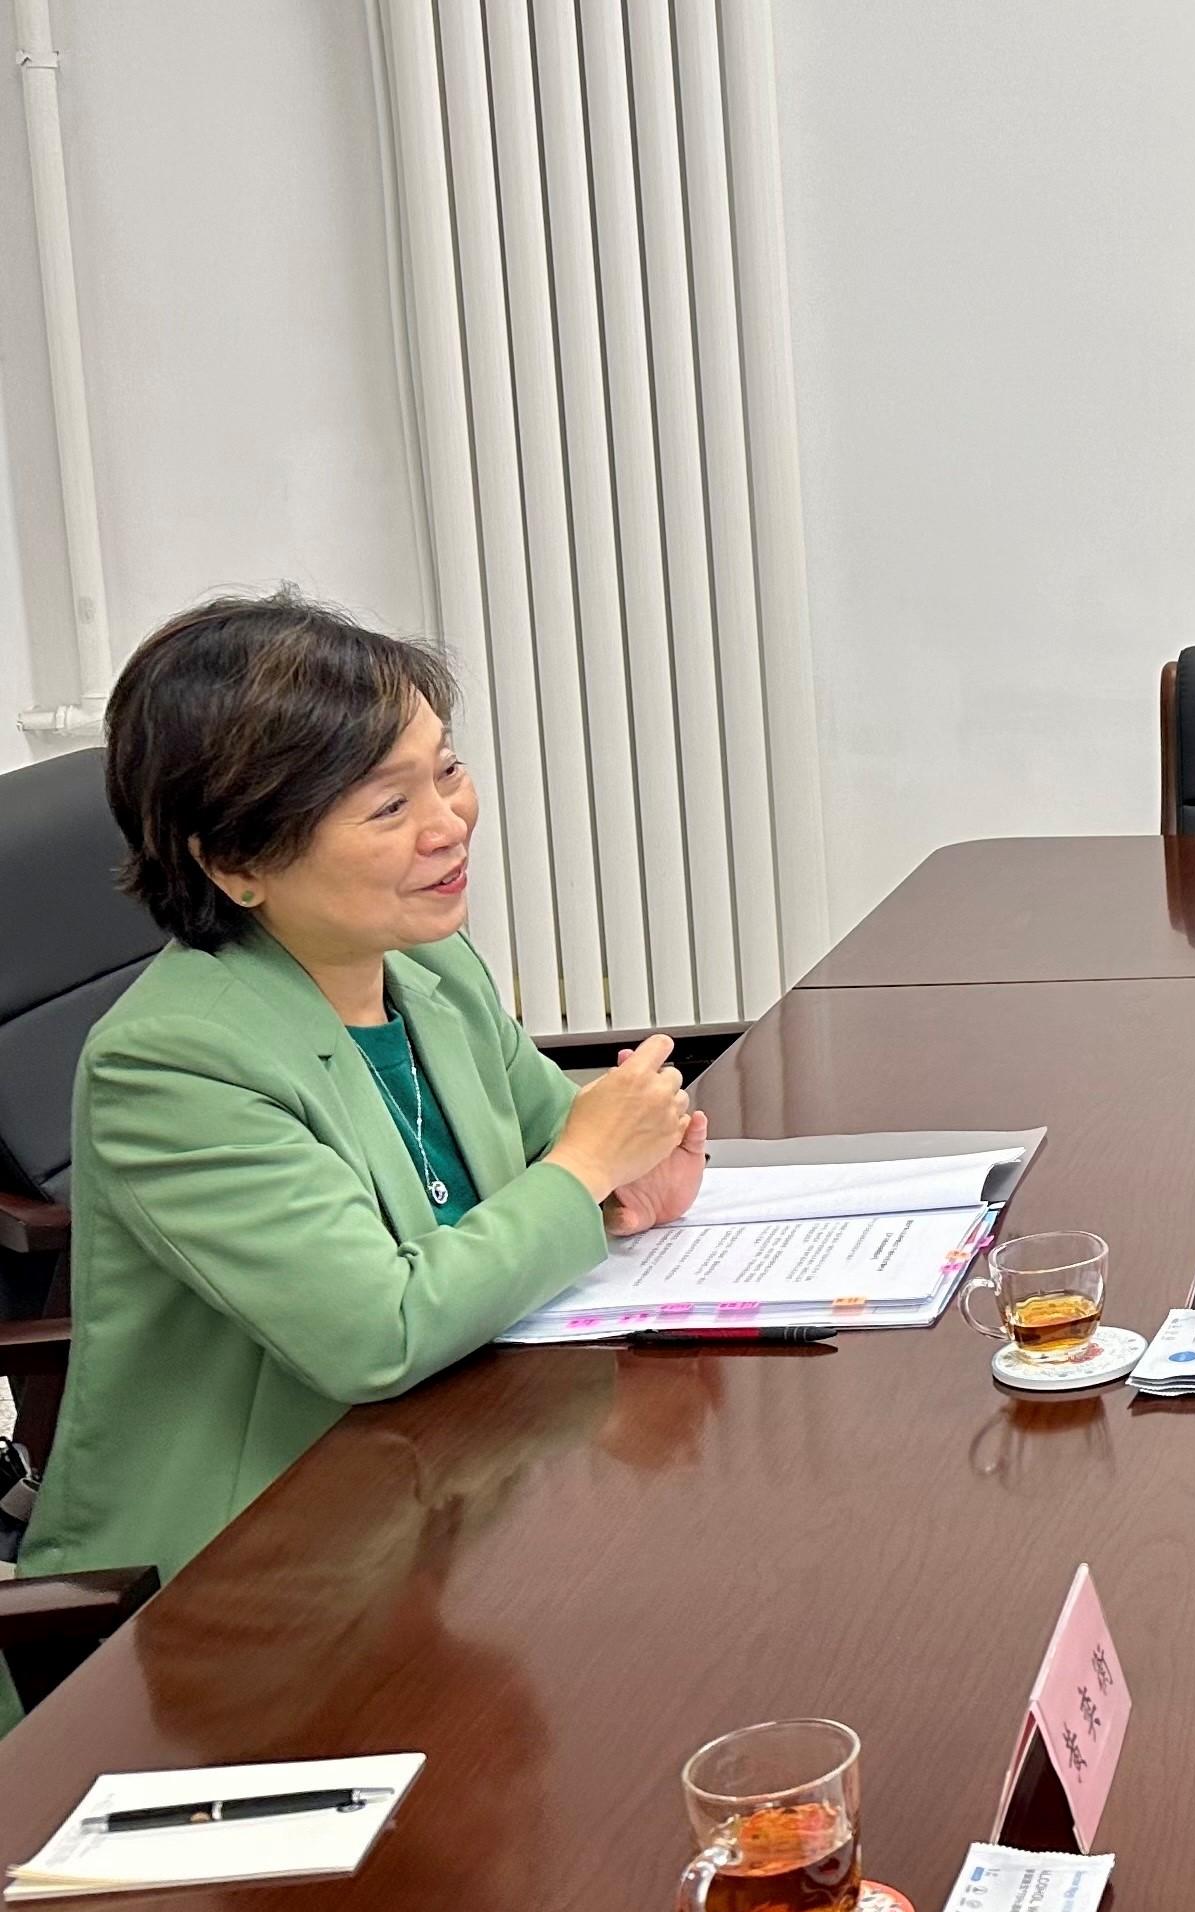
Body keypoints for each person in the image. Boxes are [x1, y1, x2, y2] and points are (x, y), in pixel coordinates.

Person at [14, 594, 709, 1603]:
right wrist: (591, 1166)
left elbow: (548, 1144)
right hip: (250, 1576)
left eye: (447, 771)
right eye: (389, 807)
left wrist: (630, 1175)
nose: (449, 825)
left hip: (452, 1478)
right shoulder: (170, 1063)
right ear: (238, 862)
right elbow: (375, 1331)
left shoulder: (425, 967)